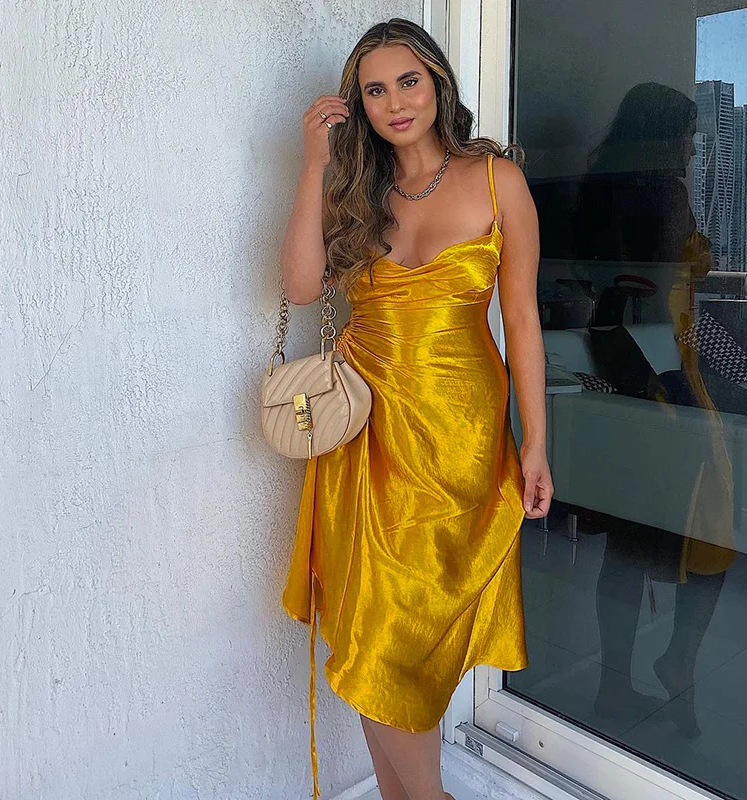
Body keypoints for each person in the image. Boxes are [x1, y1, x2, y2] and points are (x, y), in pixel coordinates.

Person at [278, 18, 551, 799]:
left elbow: (521, 319)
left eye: (409, 82)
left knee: (411, 636)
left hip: (459, 439)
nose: (395, 102)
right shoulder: (355, 190)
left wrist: (535, 441)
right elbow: (300, 287)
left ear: (438, 85)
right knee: (373, 632)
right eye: (375, 90)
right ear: (358, 104)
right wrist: (314, 165)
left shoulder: (498, 180)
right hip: (363, 434)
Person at [574, 83, 736, 737]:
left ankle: (614, 683)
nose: (694, 148)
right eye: (689, 135)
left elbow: (615, 288)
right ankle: (677, 661)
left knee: (628, 539)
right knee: (710, 526)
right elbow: (666, 287)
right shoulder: (665, 195)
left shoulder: (600, 191)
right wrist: (678, 391)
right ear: (666, 135)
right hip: (663, 369)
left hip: (620, 361)